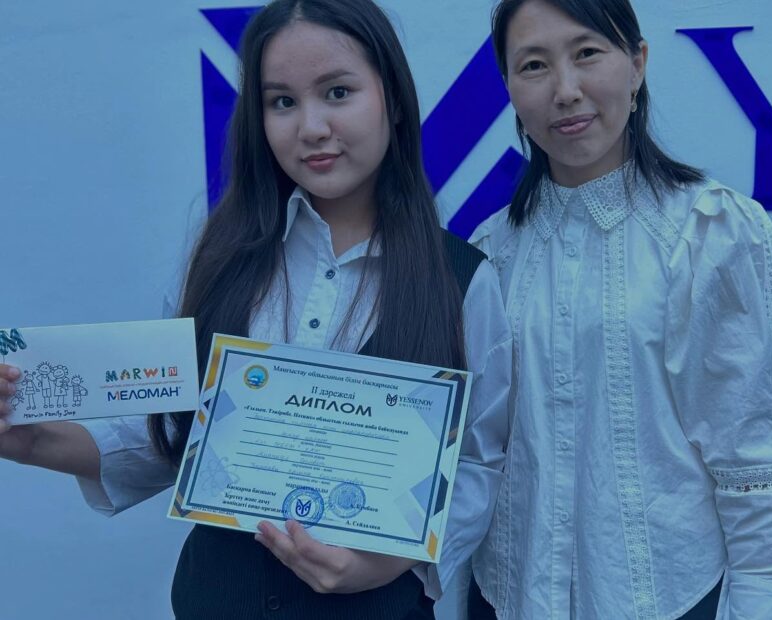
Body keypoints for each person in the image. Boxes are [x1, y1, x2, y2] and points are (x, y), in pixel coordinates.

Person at [0, 1, 511, 618]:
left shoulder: (464, 280)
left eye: (338, 92)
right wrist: (29, 439)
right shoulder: (221, 261)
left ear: (393, 100)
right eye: (282, 102)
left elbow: (478, 461)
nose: (312, 127)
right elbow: (168, 432)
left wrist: (388, 562)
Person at [466, 1, 772, 618]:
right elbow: (476, 454)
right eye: (534, 65)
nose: (566, 91)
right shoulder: (490, 252)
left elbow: (753, 459)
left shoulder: (710, 232)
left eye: (587, 53)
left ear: (637, 63)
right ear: (509, 86)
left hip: (669, 596)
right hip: (508, 595)